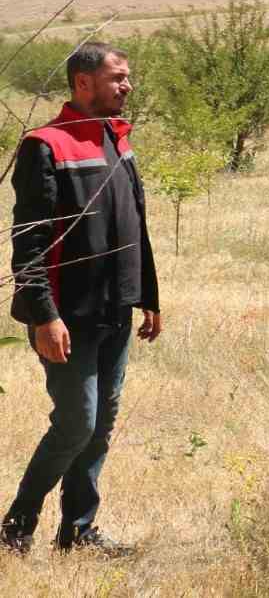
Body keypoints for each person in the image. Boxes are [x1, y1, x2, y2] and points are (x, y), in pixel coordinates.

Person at [3, 42, 160, 557]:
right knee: (76, 423)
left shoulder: (117, 138)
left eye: (127, 76)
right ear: (83, 82)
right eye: (118, 77)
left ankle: (78, 531)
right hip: (66, 317)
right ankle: (16, 526)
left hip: (116, 309)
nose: (127, 86)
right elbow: (28, 242)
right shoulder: (45, 145)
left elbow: (135, 222)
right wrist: (44, 316)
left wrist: (149, 296)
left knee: (100, 427)